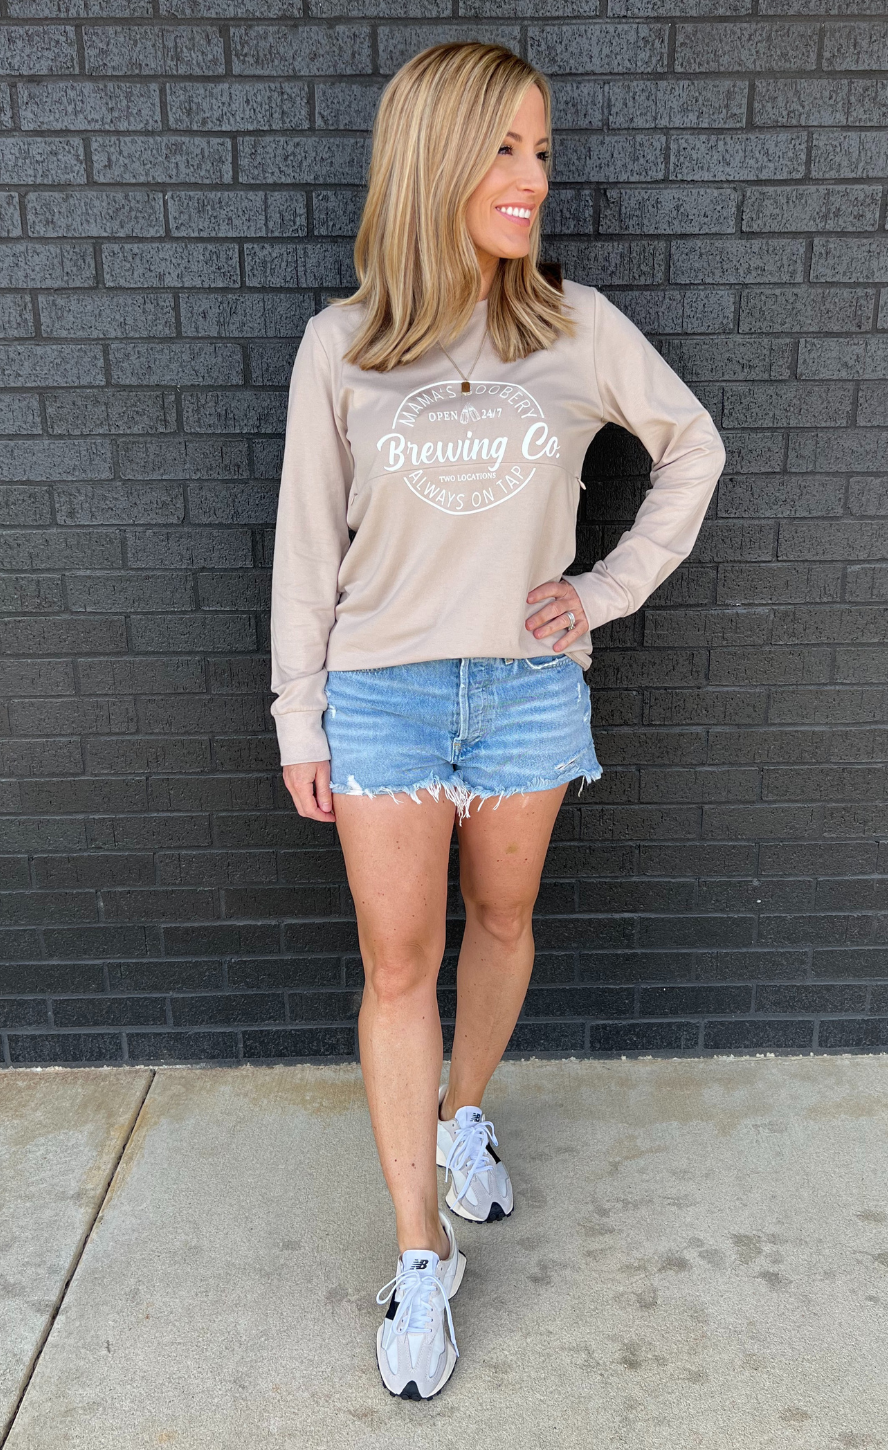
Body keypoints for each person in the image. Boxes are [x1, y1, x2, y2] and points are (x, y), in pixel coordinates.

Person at [270, 40, 726, 1400]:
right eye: (505, 150)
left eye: (542, 152)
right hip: (384, 695)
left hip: (526, 689)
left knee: (507, 922)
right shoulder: (342, 346)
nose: (532, 179)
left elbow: (692, 446)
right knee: (397, 963)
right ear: (434, 160)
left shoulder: (573, 328)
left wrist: (603, 591)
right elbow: (305, 550)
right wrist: (301, 718)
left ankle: (463, 1113)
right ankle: (422, 1252)